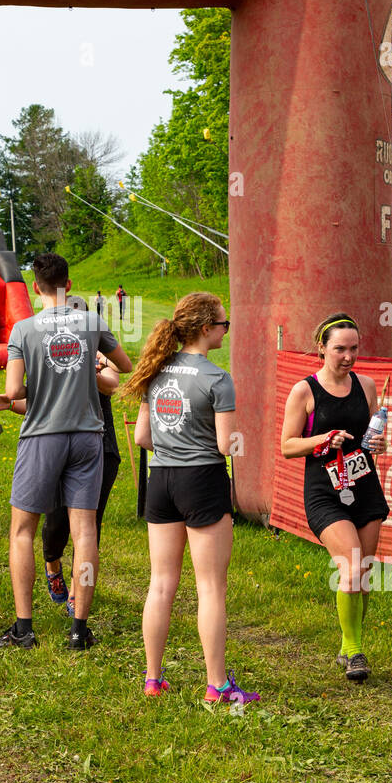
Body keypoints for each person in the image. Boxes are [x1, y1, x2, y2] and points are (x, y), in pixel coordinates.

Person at [122, 292, 260, 706]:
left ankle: (153, 678)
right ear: (206, 329)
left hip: (160, 479)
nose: (225, 330)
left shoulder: (156, 369)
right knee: (210, 587)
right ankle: (217, 685)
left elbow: (142, 437)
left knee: (160, 584)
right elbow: (223, 444)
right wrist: (240, 441)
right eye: (224, 324)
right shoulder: (217, 378)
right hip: (201, 480)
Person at [0, 253, 132, 651]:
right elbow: (120, 368)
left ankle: (24, 628)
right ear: (68, 285)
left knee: (22, 531)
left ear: (35, 286)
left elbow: (16, 391)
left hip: (42, 436)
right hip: (89, 436)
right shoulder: (91, 322)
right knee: (85, 532)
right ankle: (78, 630)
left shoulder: (23, 329)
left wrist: (13, 396)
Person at [279, 312, 390, 683]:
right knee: (352, 565)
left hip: (364, 487)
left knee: (363, 573)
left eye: (354, 348)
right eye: (340, 349)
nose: (348, 356)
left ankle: (348, 646)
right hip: (325, 492)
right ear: (321, 348)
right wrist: (323, 440)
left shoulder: (367, 385)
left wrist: (379, 443)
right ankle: (355, 651)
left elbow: (371, 433)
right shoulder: (305, 390)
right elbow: (288, 446)